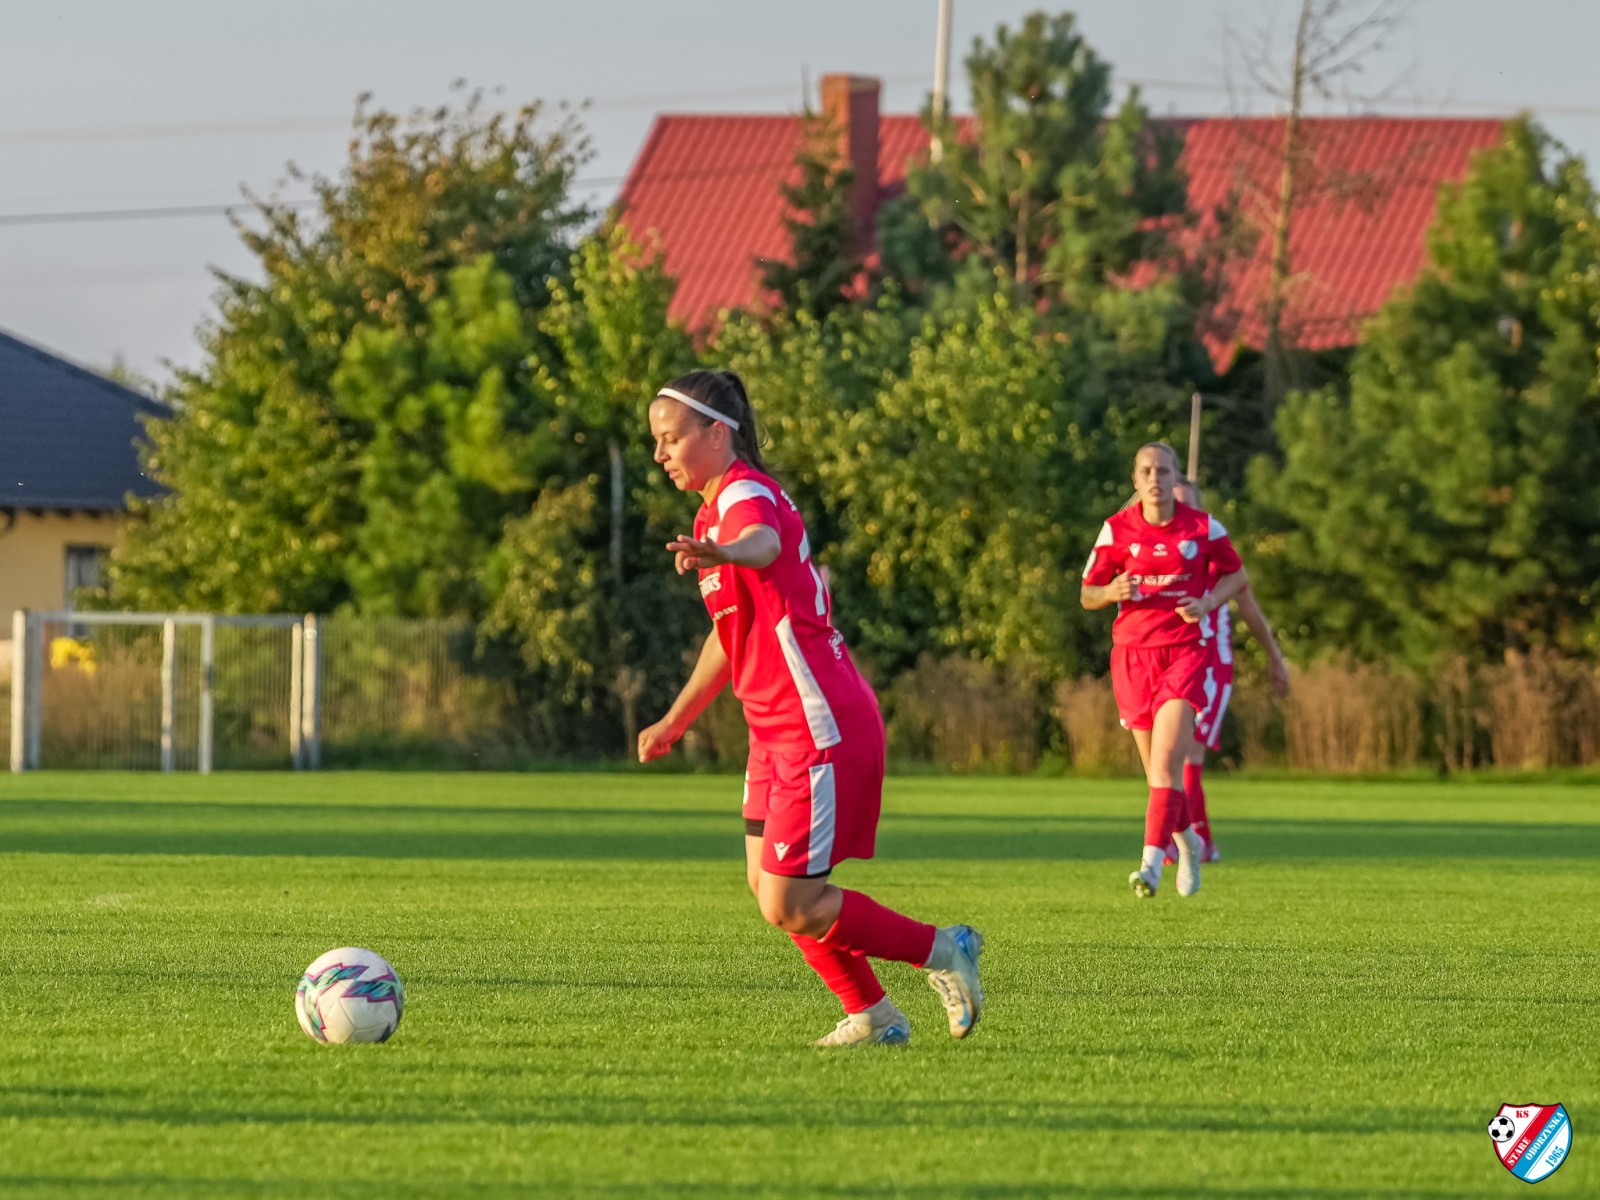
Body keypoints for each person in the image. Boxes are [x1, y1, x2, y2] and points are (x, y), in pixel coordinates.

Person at [637, 369, 984, 1047]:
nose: (660, 454)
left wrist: (728, 551)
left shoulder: (743, 495)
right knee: (772, 891)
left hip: (816, 723)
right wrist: (675, 719)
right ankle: (874, 1017)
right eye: (656, 441)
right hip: (771, 731)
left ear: (718, 434)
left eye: (671, 438)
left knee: (790, 898)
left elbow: (762, 544)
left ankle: (946, 950)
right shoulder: (711, 514)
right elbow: (729, 633)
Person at [1079, 443, 1248, 899]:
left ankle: (1149, 865)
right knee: (1159, 777)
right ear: (1135, 480)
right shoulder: (1116, 529)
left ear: (1176, 479)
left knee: (1168, 760)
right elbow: (1087, 593)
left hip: (1185, 653)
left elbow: (1237, 575)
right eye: (1147, 471)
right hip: (1133, 658)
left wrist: (1208, 602)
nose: (1156, 478)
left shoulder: (1203, 527)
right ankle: (1189, 844)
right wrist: (1110, 591)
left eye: (1164, 470)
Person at [1165, 477, 1290, 865]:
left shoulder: (1215, 554)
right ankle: (1185, 838)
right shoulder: (1157, 554)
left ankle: (1198, 841)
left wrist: (1274, 657)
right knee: (1167, 754)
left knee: (1187, 751)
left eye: (1188, 504)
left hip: (1210, 666)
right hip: (1171, 662)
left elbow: (1248, 606)